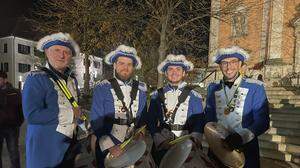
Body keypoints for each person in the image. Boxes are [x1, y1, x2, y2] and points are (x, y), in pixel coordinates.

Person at [22, 32, 83, 168]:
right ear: (47, 53)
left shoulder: (72, 80)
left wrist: (81, 121)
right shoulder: (36, 78)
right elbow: (32, 115)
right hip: (46, 150)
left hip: (69, 147)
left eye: (66, 52)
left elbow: (74, 107)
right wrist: (71, 114)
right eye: (57, 50)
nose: (62, 55)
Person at [205, 46, 270, 168]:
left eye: (233, 62)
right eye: (224, 63)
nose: (229, 67)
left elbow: (263, 121)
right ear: (219, 65)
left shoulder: (255, 87)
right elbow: (209, 116)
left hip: (246, 150)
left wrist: (241, 137)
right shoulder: (212, 87)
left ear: (240, 64)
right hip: (217, 149)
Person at [90, 45, 153, 167]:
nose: (125, 67)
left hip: (132, 142)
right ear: (115, 65)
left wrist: (140, 134)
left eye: (129, 64)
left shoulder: (141, 89)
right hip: (109, 141)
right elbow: (96, 121)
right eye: (122, 63)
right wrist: (110, 146)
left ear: (133, 67)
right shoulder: (102, 87)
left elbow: (142, 118)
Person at [147, 54, 208, 167]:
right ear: (165, 73)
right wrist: (159, 141)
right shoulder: (156, 95)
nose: (174, 72)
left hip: (186, 142)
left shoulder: (194, 96)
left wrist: (194, 141)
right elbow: (150, 120)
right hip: (163, 143)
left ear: (184, 73)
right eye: (170, 69)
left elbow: (199, 122)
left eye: (178, 69)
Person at [0, 71, 23, 168]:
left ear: (5, 80)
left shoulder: (15, 92)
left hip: (12, 128)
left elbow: (21, 109)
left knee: (14, 153)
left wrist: (18, 122)